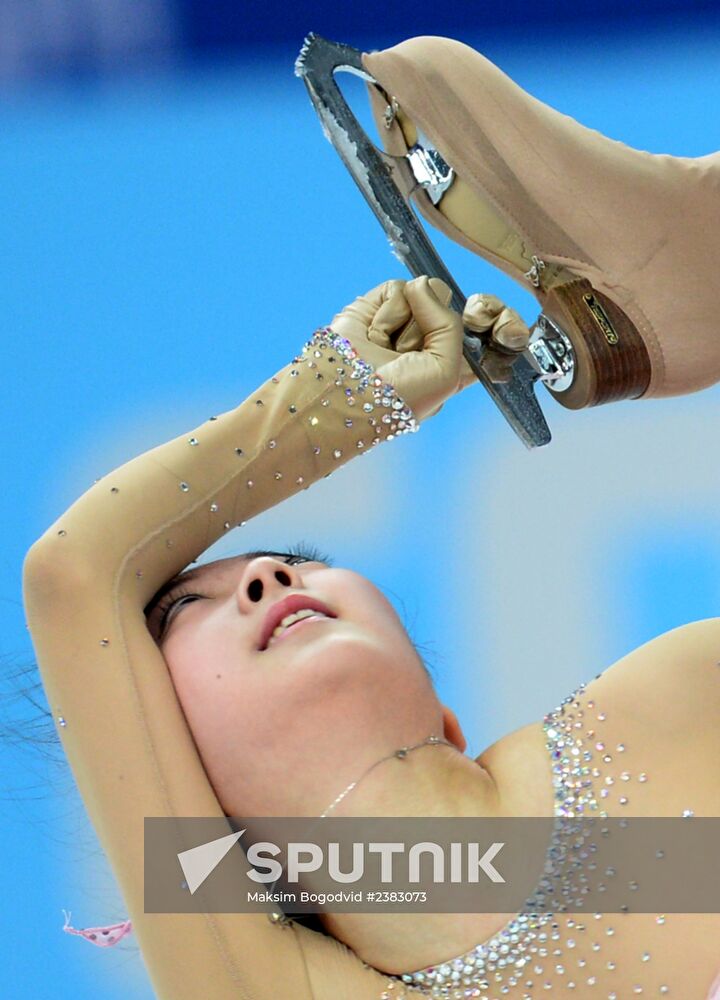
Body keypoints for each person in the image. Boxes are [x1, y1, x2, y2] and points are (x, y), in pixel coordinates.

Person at [22, 37, 720, 1000]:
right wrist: (330, 406)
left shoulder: (677, 695)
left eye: (295, 561)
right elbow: (77, 575)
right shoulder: (271, 983)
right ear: (198, 814)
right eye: (182, 612)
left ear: (444, 712)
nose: (269, 579)